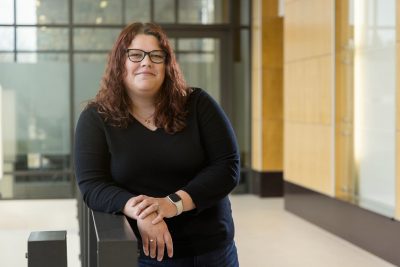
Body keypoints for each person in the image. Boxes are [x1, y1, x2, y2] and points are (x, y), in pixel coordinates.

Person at [74, 22, 240, 267]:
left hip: (213, 250)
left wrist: (172, 203)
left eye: (156, 55)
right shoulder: (96, 118)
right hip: (150, 256)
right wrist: (140, 210)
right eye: (136, 54)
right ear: (120, 62)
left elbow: (227, 167)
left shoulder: (198, 104)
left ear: (167, 65)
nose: (146, 62)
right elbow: (92, 184)